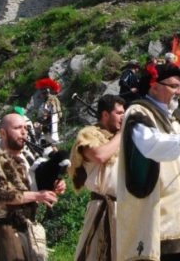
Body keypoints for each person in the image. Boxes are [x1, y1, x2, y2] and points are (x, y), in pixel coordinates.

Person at [116, 62, 180, 260]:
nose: (179, 92)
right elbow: (153, 146)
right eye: (174, 86)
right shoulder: (138, 113)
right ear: (154, 86)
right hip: (160, 223)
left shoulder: (176, 119)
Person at [0, 113, 66, 261]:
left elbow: (35, 188)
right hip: (3, 231)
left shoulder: (28, 159)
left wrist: (54, 187)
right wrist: (38, 195)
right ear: (3, 133)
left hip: (28, 229)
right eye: (18, 128)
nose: (24, 132)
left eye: (25, 127)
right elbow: (2, 193)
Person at [70, 95, 125, 261]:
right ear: (105, 115)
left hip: (124, 208)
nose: (123, 117)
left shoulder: (121, 138)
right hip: (102, 207)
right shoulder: (88, 135)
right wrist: (121, 134)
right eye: (119, 113)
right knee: (95, 254)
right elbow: (100, 155)